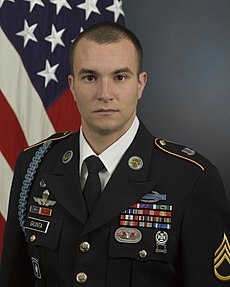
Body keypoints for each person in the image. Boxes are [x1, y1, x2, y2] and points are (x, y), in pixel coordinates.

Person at [0, 22, 230, 287]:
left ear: (140, 84)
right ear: (72, 86)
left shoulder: (191, 179)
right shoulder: (35, 165)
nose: (104, 94)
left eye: (119, 77)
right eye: (90, 78)